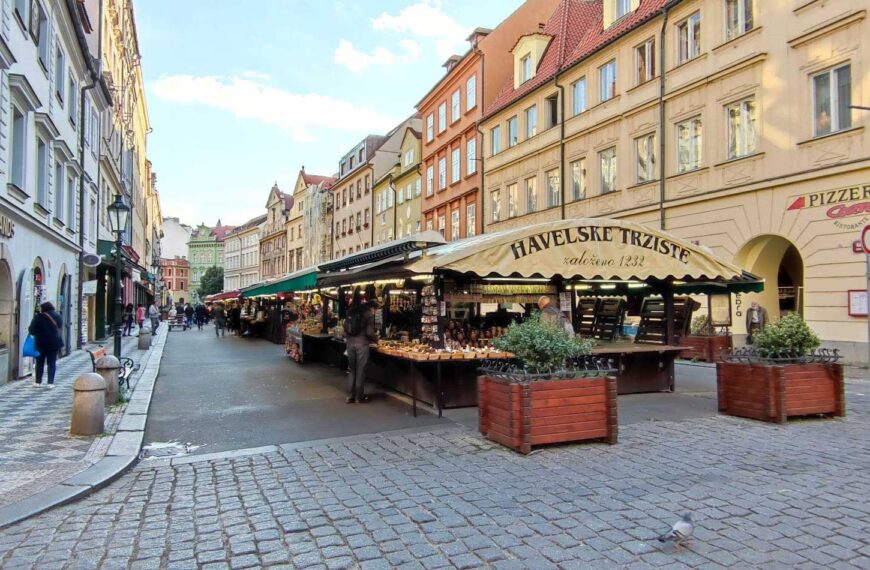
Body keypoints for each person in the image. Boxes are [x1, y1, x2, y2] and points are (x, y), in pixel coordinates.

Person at [344, 288, 377, 404]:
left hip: (350, 344)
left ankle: (349, 396)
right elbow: (370, 333)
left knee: (352, 370)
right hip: (362, 344)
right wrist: (377, 340)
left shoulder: (350, 311)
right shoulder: (368, 314)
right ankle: (359, 397)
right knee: (361, 371)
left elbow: (345, 329)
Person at [27, 302, 64, 387]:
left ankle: (38, 382)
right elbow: (60, 328)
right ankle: (50, 383)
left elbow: (31, 330)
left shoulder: (38, 317)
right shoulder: (58, 316)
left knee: (39, 362)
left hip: (41, 343)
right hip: (54, 343)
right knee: (52, 362)